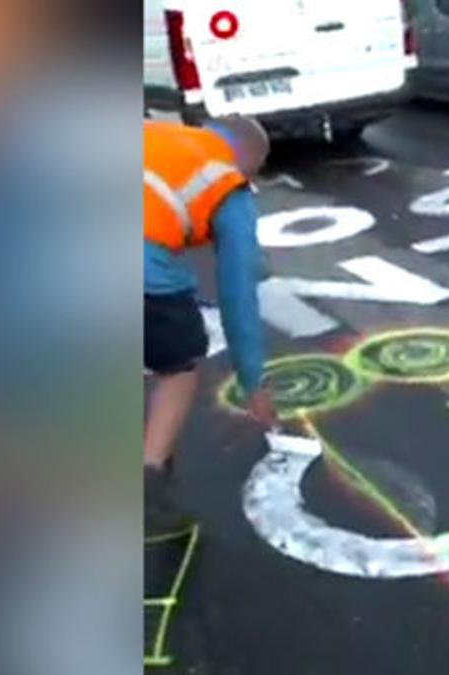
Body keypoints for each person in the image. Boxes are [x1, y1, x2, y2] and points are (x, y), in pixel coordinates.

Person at [144, 115, 279, 534]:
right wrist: (251, 381)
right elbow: (238, 292)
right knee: (180, 362)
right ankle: (147, 482)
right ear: (247, 160)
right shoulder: (225, 180)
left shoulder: (158, 135)